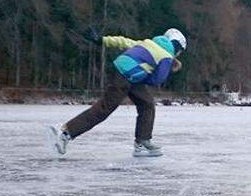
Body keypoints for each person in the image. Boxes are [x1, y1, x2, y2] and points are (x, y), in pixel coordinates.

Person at [48, 28, 187, 157]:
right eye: (180, 51)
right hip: (127, 76)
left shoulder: (147, 43)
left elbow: (123, 41)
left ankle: (142, 142)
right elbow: (157, 79)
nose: (179, 54)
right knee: (104, 108)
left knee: (147, 104)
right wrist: (167, 69)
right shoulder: (166, 56)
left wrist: (101, 40)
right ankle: (66, 132)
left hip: (123, 71)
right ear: (176, 46)